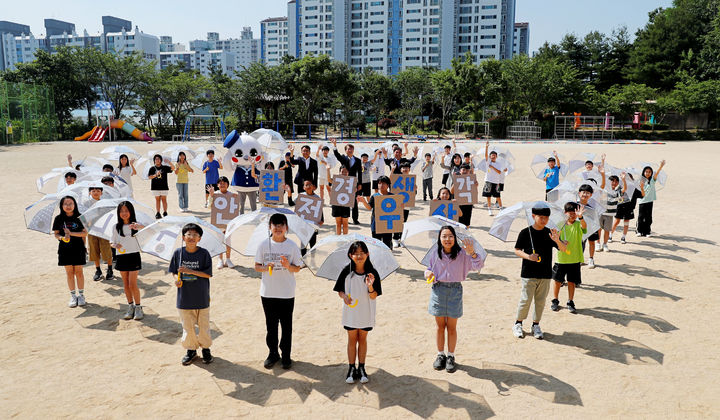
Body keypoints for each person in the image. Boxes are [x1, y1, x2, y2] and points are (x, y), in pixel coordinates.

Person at [424, 226, 484, 373]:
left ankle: (450, 356)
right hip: (438, 289)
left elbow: (478, 266)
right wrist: (428, 273)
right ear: (439, 238)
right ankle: (440, 355)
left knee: (451, 327)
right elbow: (428, 268)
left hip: (455, 290)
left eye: (450, 236)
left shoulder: (463, 254)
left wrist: (472, 253)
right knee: (439, 327)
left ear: (455, 238)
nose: (447, 239)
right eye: (444, 236)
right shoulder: (434, 253)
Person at [254, 213, 304, 370]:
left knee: (286, 326)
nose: (278, 228)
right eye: (275, 225)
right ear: (270, 227)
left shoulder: (292, 246)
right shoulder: (263, 245)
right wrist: (266, 267)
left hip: (287, 293)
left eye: (281, 225)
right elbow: (256, 266)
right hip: (268, 292)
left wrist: (288, 266)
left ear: (286, 228)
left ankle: (286, 355)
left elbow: (298, 268)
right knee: (271, 326)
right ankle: (273, 353)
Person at [512, 205, 567, 339]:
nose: (543, 220)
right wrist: (529, 257)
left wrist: (557, 241)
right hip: (528, 273)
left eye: (546, 218)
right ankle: (518, 323)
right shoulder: (525, 232)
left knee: (540, 301)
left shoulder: (550, 233)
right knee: (526, 300)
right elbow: (517, 250)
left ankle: (535, 325)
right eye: (541, 217)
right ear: (533, 217)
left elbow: (563, 249)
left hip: (545, 273)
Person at [333, 241, 382, 384]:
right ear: (350, 255)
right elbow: (340, 291)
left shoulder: (372, 273)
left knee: (363, 339)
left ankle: (361, 367)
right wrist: (344, 297)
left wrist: (370, 286)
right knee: (352, 340)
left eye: (362, 253)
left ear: (367, 254)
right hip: (351, 312)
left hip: (366, 311)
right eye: (355, 253)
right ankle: (351, 368)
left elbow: (373, 296)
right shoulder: (346, 271)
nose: (359, 256)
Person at [169, 223, 214, 365]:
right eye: (189, 234)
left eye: (195, 235)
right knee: (187, 326)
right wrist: (176, 280)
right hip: (184, 298)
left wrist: (191, 271)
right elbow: (174, 271)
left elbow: (208, 275)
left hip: (201, 297)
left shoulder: (204, 253)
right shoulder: (178, 253)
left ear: (199, 238)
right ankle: (191, 350)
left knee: (204, 325)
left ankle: (206, 349)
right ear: (183, 237)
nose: (191, 237)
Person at [110, 201, 145, 320]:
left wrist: (139, 227)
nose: (124, 213)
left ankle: (139, 307)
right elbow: (111, 241)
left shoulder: (136, 225)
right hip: (121, 257)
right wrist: (115, 246)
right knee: (125, 284)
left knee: (132, 283)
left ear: (131, 212)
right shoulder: (116, 227)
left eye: (126, 211)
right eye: (121, 211)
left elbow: (150, 232)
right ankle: (131, 306)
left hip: (134, 255)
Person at [551, 202, 588, 314]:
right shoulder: (559, 225)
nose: (572, 215)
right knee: (557, 281)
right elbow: (554, 239)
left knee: (571, 282)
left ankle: (570, 301)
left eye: (574, 213)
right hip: (561, 259)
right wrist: (561, 241)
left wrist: (581, 217)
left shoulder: (578, 224)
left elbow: (584, 227)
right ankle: (555, 300)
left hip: (574, 259)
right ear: (564, 213)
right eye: (570, 213)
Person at [52, 196, 88, 308]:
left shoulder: (80, 217)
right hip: (64, 249)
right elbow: (56, 234)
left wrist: (71, 233)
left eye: (70, 203)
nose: (68, 206)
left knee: (79, 272)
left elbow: (85, 233)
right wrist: (63, 238)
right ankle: (73, 296)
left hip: (78, 248)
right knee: (69, 273)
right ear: (61, 206)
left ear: (75, 205)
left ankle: (81, 295)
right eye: (65, 204)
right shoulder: (58, 218)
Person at [84, 186, 114, 282]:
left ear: (101, 192)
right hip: (92, 230)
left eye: (98, 191)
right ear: (89, 193)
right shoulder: (86, 204)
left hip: (104, 230)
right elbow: (83, 218)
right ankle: (98, 270)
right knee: (94, 250)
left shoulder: (105, 203)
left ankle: (110, 269)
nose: (95, 192)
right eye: (93, 191)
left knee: (106, 250)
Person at [357, 176, 394, 250]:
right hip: (376, 224)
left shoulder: (392, 196)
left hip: (388, 225)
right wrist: (364, 201)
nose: (381, 185)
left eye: (383, 183)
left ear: (388, 185)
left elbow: (397, 210)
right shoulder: (374, 196)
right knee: (376, 245)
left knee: (386, 245)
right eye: (379, 183)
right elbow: (369, 207)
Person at [207, 176, 236, 269]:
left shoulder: (232, 194)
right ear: (217, 185)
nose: (222, 184)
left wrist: (236, 198)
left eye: (224, 183)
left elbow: (234, 209)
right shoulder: (215, 194)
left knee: (228, 241)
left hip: (228, 223)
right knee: (220, 241)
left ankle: (228, 259)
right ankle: (220, 259)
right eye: (220, 183)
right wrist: (211, 196)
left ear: (228, 184)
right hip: (218, 222)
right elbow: (208, 206)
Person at [332, 139, 363, 224]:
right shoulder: (343, 158)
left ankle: (355, 219)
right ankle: (345, 217)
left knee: (354, 202)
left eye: (351, 149)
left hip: (353, 183)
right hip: (344, 182)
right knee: (344, 201)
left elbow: (359, 172)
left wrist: (360, 184)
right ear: (345, 150)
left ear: (353, 150)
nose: (350, 150)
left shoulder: (358, 160)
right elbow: (336, 155)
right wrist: (335, 145)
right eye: (348, 149)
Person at [598, 165, 627, 252]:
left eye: (615, 181)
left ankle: (605, 244)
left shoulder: (618, 191)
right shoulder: (604, 189)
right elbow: (602, 185)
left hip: (610, 214)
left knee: (607, 230)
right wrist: (603, 174)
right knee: (598, 229)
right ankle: (598, 243)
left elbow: (624, 189)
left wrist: (624, 180)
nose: (613, 183)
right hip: (600, 212)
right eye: (612, 181)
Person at [612, 173, 645, 244]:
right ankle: (610, 235)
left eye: (629, 178)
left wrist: (642, 188)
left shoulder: (635, 189)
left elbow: (642, 195)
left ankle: (623, 237)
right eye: (626, 178)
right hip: (620, 206)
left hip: (629, 208)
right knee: (616, 221)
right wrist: (623, 180)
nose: (627, 179)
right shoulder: (620, 187)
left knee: (626, 222)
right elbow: (622, 190)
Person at [637, 160, 666, 237]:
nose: (648, 173)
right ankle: (639, 231)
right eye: (646, 172)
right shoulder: (641, 180)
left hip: (650, 200)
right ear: (643, 172)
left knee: (648, 217)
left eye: (649, 172)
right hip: (642, 200)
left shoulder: (653, 180)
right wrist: (641, 187)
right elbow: (638, 190)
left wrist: (661, 166)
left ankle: (647, 231)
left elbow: (657, 173)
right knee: (641, 216)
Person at [295, 179, 324, 256]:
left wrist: (322, 220)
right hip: (303, 225)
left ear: (313, 187)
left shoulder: (317, 197)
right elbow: (291, 203)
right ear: (303, 187)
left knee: (313, 245)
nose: (308, 186)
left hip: (313, 225)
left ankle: (312, 261)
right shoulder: (300, 196)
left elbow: (320, 211)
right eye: (306, 185)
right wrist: (288, 194)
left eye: (310, 184)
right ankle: (303, 261)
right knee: (303, 244)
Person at [577, 183, 598, 269]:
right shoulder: (575, 206)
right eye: (584, 192)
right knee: (579, 244)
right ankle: (579, 259)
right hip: (578, 229)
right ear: (579, 193)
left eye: (588, 193)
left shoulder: (592, 208)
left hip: (589, 228)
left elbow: (594, 219)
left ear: (591, 195)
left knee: (591, 242)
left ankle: (591, 258)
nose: (585, 195)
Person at [148, 154, 175, 219]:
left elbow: (173, 168)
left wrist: (169, 162)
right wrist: (155, 175)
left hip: (164, 186)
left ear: (161, 160)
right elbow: (149, 177)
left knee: (164, 199)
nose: (157, 160)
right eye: (156, 159)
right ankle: (158, 212)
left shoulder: (164, 167)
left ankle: (165, 212)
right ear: (154, 160)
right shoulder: (152, 168)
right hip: (155, 187)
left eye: (158, 159)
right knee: (157, 200)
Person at [483, 141, 505, 214]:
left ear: (496, 156)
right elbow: (485, 155)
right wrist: (486, 147)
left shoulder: (498, 163)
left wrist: (492, 167)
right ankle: (489, 209)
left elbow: (499, 172)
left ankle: (501, 208)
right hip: (488, 180)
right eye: (492, 155)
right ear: (490, 156)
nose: (493, 156)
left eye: (494, 155)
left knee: (498, 196)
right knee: (488, 196)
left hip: (496, 181)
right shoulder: (488, 162)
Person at [331, 166, 352, 235]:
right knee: (338, 224)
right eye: (342, 171)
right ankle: (339, 239)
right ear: (339, 172)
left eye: (345, 172)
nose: (344, 173)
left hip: (346, 204)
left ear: (348, 173)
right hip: (336, 204)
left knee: (345, 223)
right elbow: (328, 180)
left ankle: (345, 239)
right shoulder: (336, 180)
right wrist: (328, 169)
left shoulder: (351, 182)